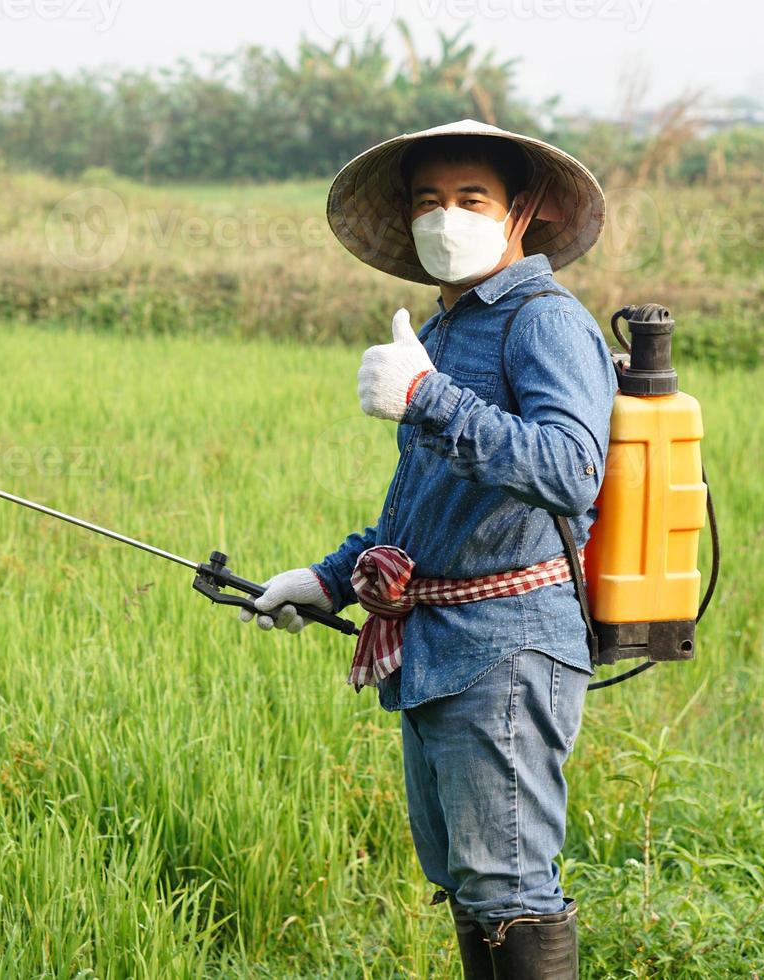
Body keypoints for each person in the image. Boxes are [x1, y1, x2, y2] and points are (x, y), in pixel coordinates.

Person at [239, 120, 616, 979]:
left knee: (510, 884)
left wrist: (429, 398)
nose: (447, 217)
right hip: (438, 648)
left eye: (470, 198)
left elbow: (571, 470)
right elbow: (428, 505)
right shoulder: (446, 330)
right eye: (428, 202)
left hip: (509, 646)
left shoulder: (543, 323)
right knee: (470, 883)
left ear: (521, 210)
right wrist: (329, 581)